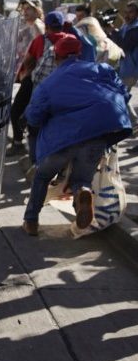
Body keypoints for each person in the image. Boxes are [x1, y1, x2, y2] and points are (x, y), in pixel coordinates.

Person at [22, 35, 132, 236]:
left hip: (61, 140)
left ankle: (31, 221)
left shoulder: (50, 83)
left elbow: (34, 116)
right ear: (79, 53)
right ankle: (82, 192)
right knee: (82, 178)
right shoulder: (102, 69)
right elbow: (123, 92)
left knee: (42, 176)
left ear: (56, 57)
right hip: (97, 136)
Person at [8, 10, 68, 158]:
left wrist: (24, 75)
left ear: (46, 25)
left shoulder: (40, 40)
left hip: (37, 84)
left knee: (16, 112)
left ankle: (18, 143)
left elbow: (28, 61)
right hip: (62, 86)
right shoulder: (70, 39)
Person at [108, 0, 138, 90]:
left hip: (130, 70)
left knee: (121, 97)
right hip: (121, 67)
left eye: (131, 12)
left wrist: (113, 30)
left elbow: (123, 46)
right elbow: (117, 40)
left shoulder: (136, 29)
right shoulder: (126, 25)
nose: (127, 15)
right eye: (126, 12)